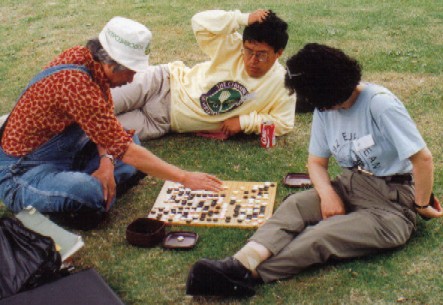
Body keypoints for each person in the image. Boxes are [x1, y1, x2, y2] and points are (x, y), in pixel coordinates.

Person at [185, 43, 443, 297]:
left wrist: (420, 205)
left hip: (394, 205)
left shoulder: (380, 104)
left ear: (331, 87)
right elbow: (316, 163)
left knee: (322, 235)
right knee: (296, 204)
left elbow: (423, 159)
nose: (315, 107)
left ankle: (249, 276)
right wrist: (329, 195)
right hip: (354, 184)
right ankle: (240, 262)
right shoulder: (324, 108)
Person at [0, 16, 222, 230]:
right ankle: (85, 198)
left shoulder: (90, 61)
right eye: (130, 71)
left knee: (129, 140)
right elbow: (124, 150)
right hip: (21, 172)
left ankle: (89, 191)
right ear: (112, 63)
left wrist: (106, 163)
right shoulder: (76, 85)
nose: (131, 80)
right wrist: (184, 177)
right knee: (89, 188)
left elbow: (109, 129)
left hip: (63, 153)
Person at [111, 9, 295, 141]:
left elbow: (284, 123)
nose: (252, 60)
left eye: (261, 55)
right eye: (248, 51)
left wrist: (245, 122)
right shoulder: (232, 47)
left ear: (278, 53)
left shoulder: (282, 84)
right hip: (162, 84)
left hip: (162, 122)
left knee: (95, 131)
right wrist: (242, 19)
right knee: (91, 106)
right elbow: (200, 22)